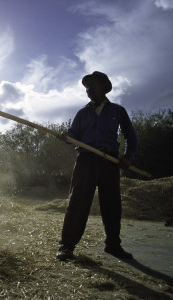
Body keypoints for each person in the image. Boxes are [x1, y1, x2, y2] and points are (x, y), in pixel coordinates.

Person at [56, 71, 137, 261]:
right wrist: (66, 137)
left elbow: (131, 136)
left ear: (103, 86)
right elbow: (74, 135)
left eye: (92, 85)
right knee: (78, 203)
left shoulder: (118, 111)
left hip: (110, 161)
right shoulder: (83, 113)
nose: (88, 90)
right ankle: (67, 246)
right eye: (86, 87)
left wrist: (128, 156)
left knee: (112, 204)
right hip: (86, 161)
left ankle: (113, 246)